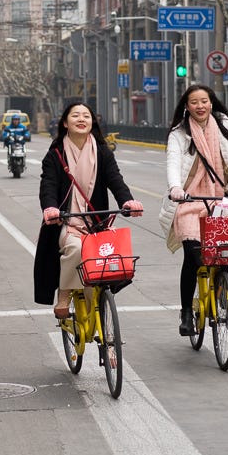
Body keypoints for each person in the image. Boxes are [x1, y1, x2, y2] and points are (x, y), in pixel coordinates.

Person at [34, 102, 143, 318]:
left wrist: (128, 201)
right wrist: (50, 208)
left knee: (102, 269)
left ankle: (106, 338)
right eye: (75, 115)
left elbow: (115, 180)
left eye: (86, 115)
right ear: (65, 122)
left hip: (96, 224)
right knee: (75, 249)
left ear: (93, 121)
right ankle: (64, 294)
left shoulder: (102, 152)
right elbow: (48, 185)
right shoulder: (55, 154)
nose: (81, 119)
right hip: (67, 223)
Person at [165, 84, 228, 337]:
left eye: (204, 101)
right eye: (194, 102)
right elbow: (173, 161)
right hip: (188, 202)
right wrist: (175, 187)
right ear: (187, 106)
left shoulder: (223, 127)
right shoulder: (179, 133)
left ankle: (219, 293)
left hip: (219, 201)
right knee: (194, 257)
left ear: (211, 103)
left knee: (222, 257)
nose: (200, 106)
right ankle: (186, 312)